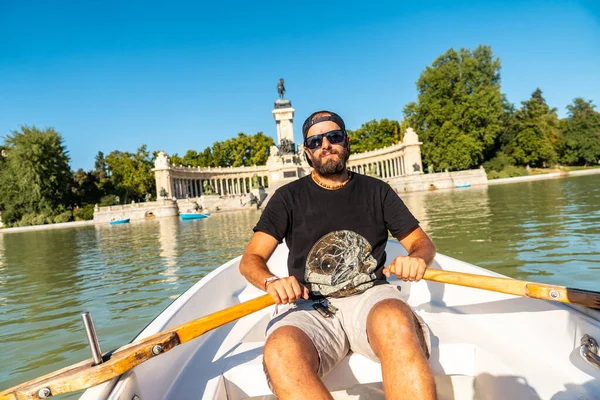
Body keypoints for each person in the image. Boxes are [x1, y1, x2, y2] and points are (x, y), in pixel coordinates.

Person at [239, 110, 437, 400]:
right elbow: (250, 260)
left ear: (346, 140)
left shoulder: (377, 191)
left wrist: (416, 258)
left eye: (333, 137)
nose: (325, 145)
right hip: (309, 305)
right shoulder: (287, 197)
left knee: (396, 321)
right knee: (281, 350)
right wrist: (271, 281)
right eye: (315, 140)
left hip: (371, 297)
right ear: (306, 151)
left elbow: (421, 243)